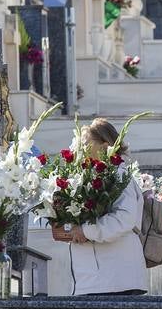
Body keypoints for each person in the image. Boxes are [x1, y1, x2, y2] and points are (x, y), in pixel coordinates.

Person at [51, 118, 147, 297]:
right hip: (97, 280)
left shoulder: (118, 175)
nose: (80, 149)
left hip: (116, 279)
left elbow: (124, 218)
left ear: (105, 145)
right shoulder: (94, 175)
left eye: (86, 143)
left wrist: (85, 231)